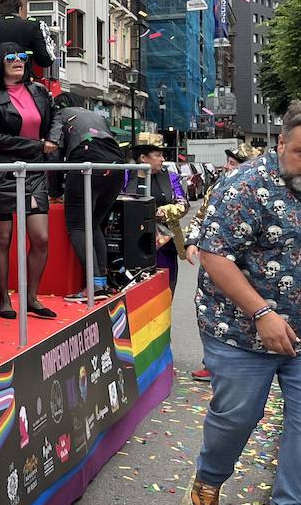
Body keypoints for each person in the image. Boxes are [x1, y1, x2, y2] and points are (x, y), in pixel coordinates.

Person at [189, 102, 301, 505]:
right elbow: (215, 254)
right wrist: (261, 313)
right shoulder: (246, 185)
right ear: (280, 144)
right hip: (238, 329)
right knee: (238, 414)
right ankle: (210, 475)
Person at [0, 43, 58, 320]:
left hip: (33, 173)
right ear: (0, 62)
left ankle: (31, 297)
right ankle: (4, 299)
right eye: (10, 57)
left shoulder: (38, 91)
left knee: (41, 237)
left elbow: (57, 115)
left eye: (22, 56)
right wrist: (37, 147)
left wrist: (53, 140)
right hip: (1, 173)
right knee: (3, 237)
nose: (18, 61)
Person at [184, 143, 260, 382]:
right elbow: (200, 218)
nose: (227, 167)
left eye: (233, 163)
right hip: (214, 265)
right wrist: (192, 241)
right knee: (210, 311)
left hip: (246, 268)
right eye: (228, 162)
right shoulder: (217, 187)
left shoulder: (261, 190)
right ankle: (212, 363)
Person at [48, 92, 127, 301]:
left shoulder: (61, 114)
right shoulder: (98, 117)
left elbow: (53, 151)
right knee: (94, 225)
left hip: (87, 164)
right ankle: (102, 283)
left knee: (78, 226)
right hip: (117, 167)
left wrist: (55, 192)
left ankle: (93, 286)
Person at [130, 138, 186, 291]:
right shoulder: (126, 175)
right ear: (143, 158)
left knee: (165, 288)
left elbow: (183, 204)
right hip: (132, 244)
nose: (163, 159)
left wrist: (164, 211)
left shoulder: (171, 177)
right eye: (158, 155)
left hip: (164, 244)